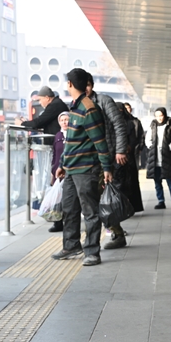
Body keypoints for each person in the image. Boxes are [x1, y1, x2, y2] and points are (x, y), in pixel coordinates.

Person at [53, 68, 114, 266]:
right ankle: (71, 245)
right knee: (69, 209)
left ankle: (92, 251)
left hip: (86, 170)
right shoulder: (75, 106)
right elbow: (71, 140)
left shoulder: (89, 108)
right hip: (71, 170)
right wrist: (63, 164)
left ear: (70, 83)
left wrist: (107, 168)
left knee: (90, 212)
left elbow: (100, 142)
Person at [86, 78, 133, 247]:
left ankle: (116, 233)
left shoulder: (104, 100)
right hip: (87, 157)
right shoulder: (78, 104)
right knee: (95, 197)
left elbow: (119, 125)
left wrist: (119, 150)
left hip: (104, 155)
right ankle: (112, 232)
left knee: (101, 196)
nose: (85, 89)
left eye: (88, 85)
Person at [145, 107, 171, 209]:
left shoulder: (170, 126)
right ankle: (161, 201)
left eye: (161, 115)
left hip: (167, 158)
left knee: (170, 181)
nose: (159, 118)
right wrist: (151, 146)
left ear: (164, 115)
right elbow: (148, 139)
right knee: (157, 182)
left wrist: (168, 147)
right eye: (157, 116)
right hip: (155, 159)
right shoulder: (152, 126)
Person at [121, 102, 146, 214]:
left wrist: (136, 147)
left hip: (131, 155)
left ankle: (133, 206)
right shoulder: (113, 123)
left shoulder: (134, 122)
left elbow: (139, 136)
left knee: (132, 180)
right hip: (118, 157)